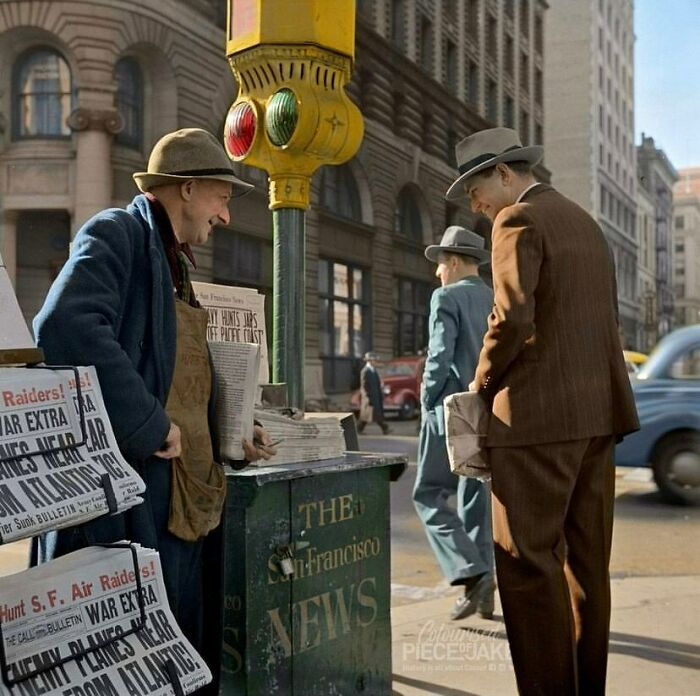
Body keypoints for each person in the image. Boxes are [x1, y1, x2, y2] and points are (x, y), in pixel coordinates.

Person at [32, 128, 276, 693]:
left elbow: (180, 372)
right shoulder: (116, 232)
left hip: (182, 501)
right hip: (137, 501)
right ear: (187, 189)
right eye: (222, 197)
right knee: (128, 660)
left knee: (176, 653)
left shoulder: (175, 263)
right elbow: (64, 326)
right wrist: (148, 424)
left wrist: (237, 428)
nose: (226, 216)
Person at [445, 127, 639, 695]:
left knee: (528, 567)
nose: (476, 207)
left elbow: (512, 319)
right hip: (597, 418)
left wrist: (480, 387)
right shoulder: (584, 222)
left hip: (535, 424)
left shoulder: (517, 220)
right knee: (586, 569)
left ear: (506, 174)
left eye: (477, 191)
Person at [412, 226, 495, 621]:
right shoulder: (495, 297)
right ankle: (485, 589)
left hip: (449, 411)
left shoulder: (446, 297)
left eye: (441, 265)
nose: (437, 273)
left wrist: (427, 401)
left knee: (428, 494)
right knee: (475, 501)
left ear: (456, 262)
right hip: (488, 411)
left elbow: (439, 356)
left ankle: (471, 571)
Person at [357, 352, 390, 434]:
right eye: (374, 360)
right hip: (369, 397)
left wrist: (380, 394)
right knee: (368, 415)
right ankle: (384, 428)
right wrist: (367, 396)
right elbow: (364, 386)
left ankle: (384, 428)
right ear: (370, 361)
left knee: (374, 414)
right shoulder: (365, 371)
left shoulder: (374, 370)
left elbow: (377, 384)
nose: (376, 362)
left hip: (376, 396)